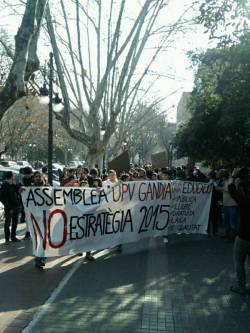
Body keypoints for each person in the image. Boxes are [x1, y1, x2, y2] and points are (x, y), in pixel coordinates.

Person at [230, 167, 250, 295]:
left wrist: (233, 177)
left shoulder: (244, 201)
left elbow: (232, 191)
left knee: (239, 261)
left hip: (243, 236)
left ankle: (241, 286)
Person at [31, 171, 48, 269]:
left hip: (46, 216)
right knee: (38, 238)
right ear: (34, 178)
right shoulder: (30, 188)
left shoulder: (48, 186)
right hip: (35, 217)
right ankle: (39, 258)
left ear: (42, 177)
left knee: (44, 237)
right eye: (36, 176)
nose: (38, 178)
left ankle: (41, 258)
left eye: (39, 176)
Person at [0, 171, 21, 244]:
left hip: (16, 206)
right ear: (11, 176)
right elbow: (3, 198)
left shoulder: (13, 184)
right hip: (9, 208)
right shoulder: (4, 186)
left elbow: (18, 191)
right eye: (13, 176)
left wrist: (15, 184)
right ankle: (7, 239)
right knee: (7, 223)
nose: (14, 177)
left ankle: (13, 237)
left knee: (15, 223)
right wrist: (9, 208)